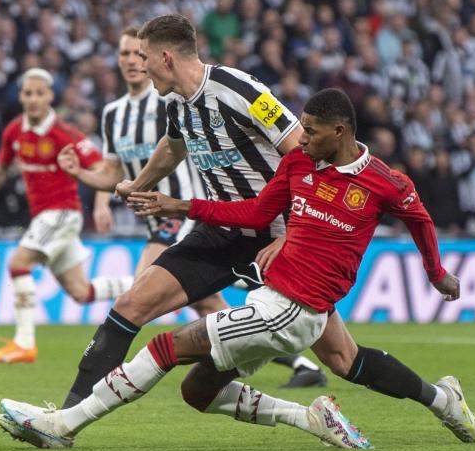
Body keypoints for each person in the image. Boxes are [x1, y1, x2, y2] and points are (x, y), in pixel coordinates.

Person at [0, 88, 475, 449]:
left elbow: (420, 220)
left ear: (340, 132)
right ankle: (432, 402)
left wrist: (436, 272)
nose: (300, 139)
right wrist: (179, 204)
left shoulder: (384, 183)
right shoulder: (296, 167)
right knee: (199, 390)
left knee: (167, 345)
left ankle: (65, 425)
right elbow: (251, 214)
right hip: (270, 297)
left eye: (310, 131)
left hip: (296, 309)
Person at [58, 25, 326, 388]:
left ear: (165, 58)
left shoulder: (242, 90)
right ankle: (65, 416)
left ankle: (426, 398)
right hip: (217, 228)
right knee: (134, 303)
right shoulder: (154, 106)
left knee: (341, 356)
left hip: (270, 233)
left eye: (143, 55)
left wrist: (295, 230)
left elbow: (304, 153)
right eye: (128, 55)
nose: (138, 63)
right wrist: (136, 187)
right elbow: (172, 147)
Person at [0, 68, 134, 364]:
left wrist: (101, 204)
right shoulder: (14, 131)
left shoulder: (65, 134)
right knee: (82, 292)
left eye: (39, 93)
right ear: (20, 96)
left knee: (18, 263)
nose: (32, 99)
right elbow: (1, 168)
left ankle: (25, 342)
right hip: (44, 218)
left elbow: (103, 170)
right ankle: (148, 284)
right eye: (27, 93)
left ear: (50, 96)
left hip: (62, 214)